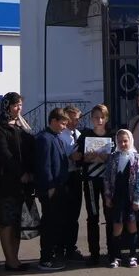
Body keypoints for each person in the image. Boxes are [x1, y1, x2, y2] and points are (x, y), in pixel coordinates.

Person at [0, 91, 35, 271]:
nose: (19, 109)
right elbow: (4, 152)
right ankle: (9, 260)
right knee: (7, 222)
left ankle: (15, 258)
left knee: (18, 222)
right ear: (7, 106)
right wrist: (20, 172)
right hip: (7, 181)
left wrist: (30, 172)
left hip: (23, 182)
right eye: (16, 105)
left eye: (20, 106)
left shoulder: (22, 124)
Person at [35, 108, 71, 271]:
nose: (64, 127)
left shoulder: (56, 137)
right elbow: (44, 165)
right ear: (54, 121)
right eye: (63, 123)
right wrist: (49, 186)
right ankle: (46, 258)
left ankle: (53, 254)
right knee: (49, 224)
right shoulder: (44, 138)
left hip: (59, 186)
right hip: (50, 188)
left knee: (56, 222)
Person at [78, 104, 115, 266]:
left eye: (102, 117)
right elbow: (76, 155)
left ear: (106, 118)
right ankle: (94, 254)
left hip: (108, 182)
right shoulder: (85, 135)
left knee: (110, 215)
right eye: (96, 117)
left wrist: (108, 156)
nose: (99, 120)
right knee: (93, 216)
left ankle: (112, 251)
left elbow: (120, 153)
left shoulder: (113, 134)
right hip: (91, 180)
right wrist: (84, 157)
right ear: (91, 118)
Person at [104, 129, 139, 267]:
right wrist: (108, 196)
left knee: (132, 226)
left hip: (131, 198)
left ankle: (133, 255)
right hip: (118, 197)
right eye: (120, 141)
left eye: (125, 141)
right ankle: (116, 256)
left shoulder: (137, 159)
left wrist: (137, 199)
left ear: (130, 141)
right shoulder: (113, 157)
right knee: (117, 226)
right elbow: (107, 178)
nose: (123, 144)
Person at [60, 105, 85, 263]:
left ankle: (71, 246)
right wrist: (70, 157)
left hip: (77, 176)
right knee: (64, 213)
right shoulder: (61, 135)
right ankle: (60, 246)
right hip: (65, 176)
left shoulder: (79, 134)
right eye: (73, 118)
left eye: (77, 119)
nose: (75, 122)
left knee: (75, 213)